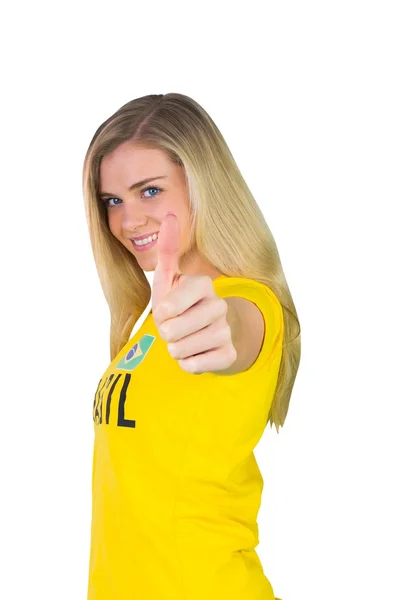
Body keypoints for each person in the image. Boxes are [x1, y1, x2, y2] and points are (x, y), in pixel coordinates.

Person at [82, 92, 300, 600]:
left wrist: (218, 324)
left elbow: (234, 331)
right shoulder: (152, 321)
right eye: (112, 201)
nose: (127, 220)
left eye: (150, 191)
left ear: (204, 185)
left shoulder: (247, 303)